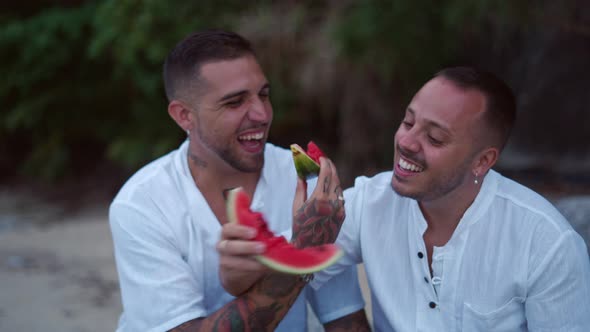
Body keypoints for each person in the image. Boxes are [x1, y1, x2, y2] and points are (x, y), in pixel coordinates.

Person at [218, 66, 590, 331]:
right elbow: (239, 281)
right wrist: (304, 237)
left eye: (435, 138)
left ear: (483, 160)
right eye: (408, 122)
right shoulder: (369, 203)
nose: (407, 143)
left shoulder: (547, 245)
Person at [109, 29, 370, 331]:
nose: (261, 114)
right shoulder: (142, 205)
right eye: (234, 103)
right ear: (184, 116)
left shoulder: (304, 180)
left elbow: (344, 318)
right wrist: (300, 250)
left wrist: (299, 250)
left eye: (263, 94)